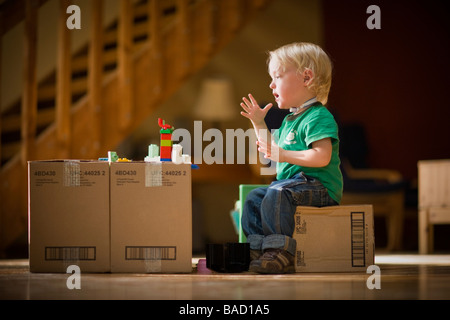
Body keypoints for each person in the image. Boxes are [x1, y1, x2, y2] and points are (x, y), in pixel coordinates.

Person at [239, 42, 343, 274]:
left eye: (277, 76)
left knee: (277, 192)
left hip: (319, 187)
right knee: (255, 197)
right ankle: (257, 249)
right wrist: (258, 122)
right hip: (292, 186)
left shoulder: (318, 116)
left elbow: (322, 156)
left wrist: (284, 154)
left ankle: (280, 252)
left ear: (306, 78)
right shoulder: (290, 120)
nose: (271, 84)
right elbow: (271, 149)